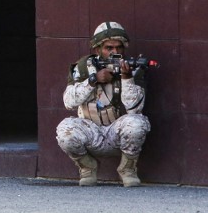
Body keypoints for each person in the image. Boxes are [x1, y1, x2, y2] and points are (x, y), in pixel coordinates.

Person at [56, 22, 151, 187]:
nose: (115, 52)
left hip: (117, 130)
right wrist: (93, 80)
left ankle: (127, 169)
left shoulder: (132, 68)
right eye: (109, 48)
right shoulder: (83, 68)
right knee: (65, 131)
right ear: (97, 49)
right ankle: (88, 167)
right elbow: (69, 102)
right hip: (91, 129)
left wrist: (127, 77)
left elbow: (135, 109)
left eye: (119, 47)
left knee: (137, 123)